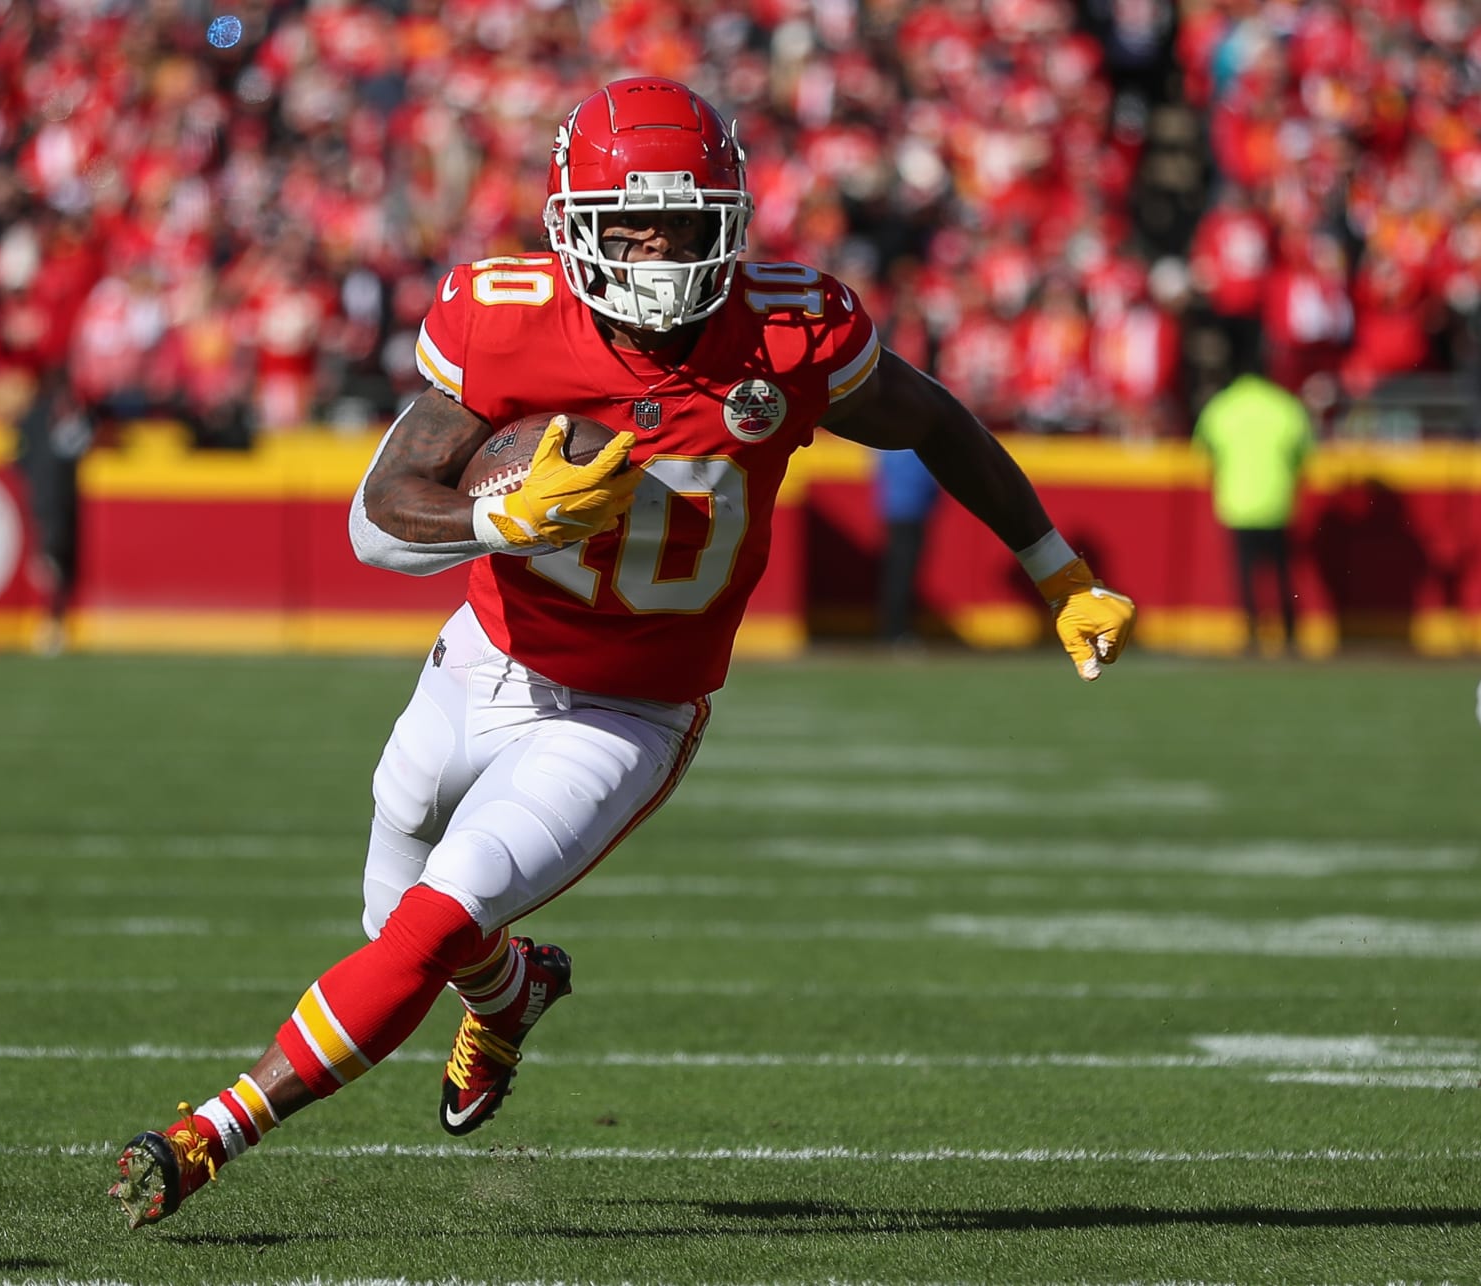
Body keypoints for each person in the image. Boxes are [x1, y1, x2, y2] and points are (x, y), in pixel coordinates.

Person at [108, 76, 1136, 1229]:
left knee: (434, 924)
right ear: (570, 220)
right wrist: (509, 518)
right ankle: (513, 992)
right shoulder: (507, 317)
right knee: (391, 914)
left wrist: (1058, 570)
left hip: (629, 711)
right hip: (484, 654)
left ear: (731, 217)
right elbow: (376, 516)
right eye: (628, 221)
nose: (655, 247)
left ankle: (212, 1130)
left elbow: (937, 419)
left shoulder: (790, 330)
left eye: (684, 220)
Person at [1192, 358, 1314, 654]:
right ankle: (1289, 635)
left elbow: (1202, 449)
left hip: (1238, 503)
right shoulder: (1285, 405)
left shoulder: (1223, 406)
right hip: (1277, 502)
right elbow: (1305, 452)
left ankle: (1252, 634)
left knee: (1245, 573)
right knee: (1282, 571)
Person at [875, 448, 941, 646]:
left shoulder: (889, 443)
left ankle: (895, 629)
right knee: (902, 572)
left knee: (898, 571)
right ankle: (896, 631)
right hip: (909, 510)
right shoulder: (912, 445)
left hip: (897, 508)